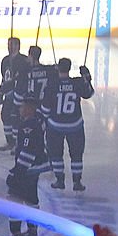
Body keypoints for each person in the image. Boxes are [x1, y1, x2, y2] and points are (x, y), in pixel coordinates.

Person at [0, 97, 49, 236]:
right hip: (35, 168)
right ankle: (32, 230)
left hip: (28, 169)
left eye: (22, 107)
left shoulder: (28, 126)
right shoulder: (37, 122)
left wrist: (17, 172)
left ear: (29, 109)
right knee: (31, 198)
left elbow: (28, 151)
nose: (20, 109)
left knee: (13, 197)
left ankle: (15, 233)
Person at [41, 58, 94, 191]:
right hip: (75, 125)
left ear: (58, 68)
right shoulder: (77, 83)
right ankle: (77, 182)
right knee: (76, 155)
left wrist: (47, 121)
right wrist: (87, 77)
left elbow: (45, 109)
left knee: (56, 154)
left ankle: (60, 180)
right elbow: (89, 93)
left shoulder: (52, 84)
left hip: (55, 126)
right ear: (70, 68)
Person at [0, 37, 29, 152]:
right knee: (5, 116)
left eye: (12, 45)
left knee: (16, 119)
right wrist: (0, 91)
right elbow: (4, 78)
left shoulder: (24, 60)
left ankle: (17, 143)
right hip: (8, 93)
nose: (9, 47)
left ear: (18, 46)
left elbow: (26, 78)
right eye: (8, 44)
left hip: (18, 94)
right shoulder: (5, 60)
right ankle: (10, 142)